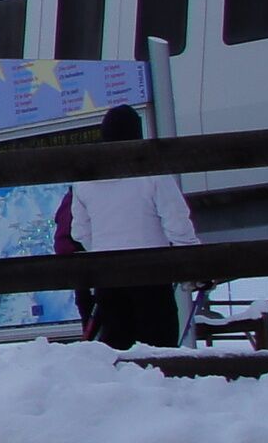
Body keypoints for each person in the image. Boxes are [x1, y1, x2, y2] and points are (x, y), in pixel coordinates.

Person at [58, 104, 199, 350]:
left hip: (108, 276)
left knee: (117, 349)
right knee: (160, 351)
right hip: (151, 272)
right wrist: (194, 261)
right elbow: (177, 221)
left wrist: (102, 249)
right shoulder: (152, 172)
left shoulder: (85, 180)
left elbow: (80, 230)